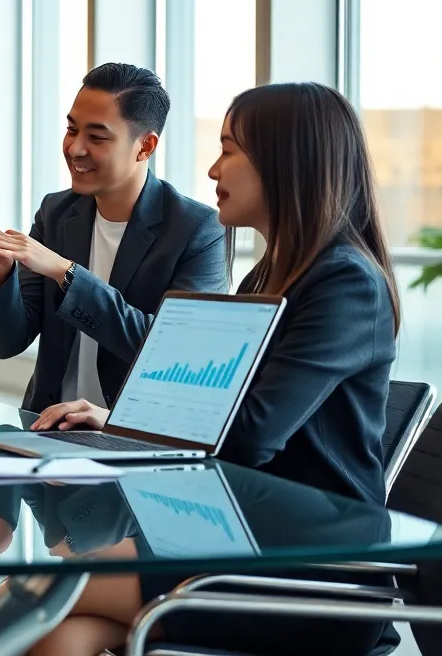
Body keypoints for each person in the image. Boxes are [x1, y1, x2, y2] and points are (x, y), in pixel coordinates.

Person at [24, 81, 401, 656]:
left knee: (41, 585)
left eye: (228, 150)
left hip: (308, 573)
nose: (211, 169)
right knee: (62, 632)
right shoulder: (273, 275)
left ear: (283, 162)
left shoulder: (345, 283)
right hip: (241, 538)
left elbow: (248, 432)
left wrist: (139, 420)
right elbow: (216, 410)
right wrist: (115, 418)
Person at [0, 63, 228, 414]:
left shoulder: (197, 230)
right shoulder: (56, 212)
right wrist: (1, 269)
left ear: (145, 146)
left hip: (135, 440)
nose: (75, 148)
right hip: (47, 431)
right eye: (72, 130)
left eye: (97, 137)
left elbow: (173, 352)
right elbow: (8, 342)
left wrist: (65, 272)